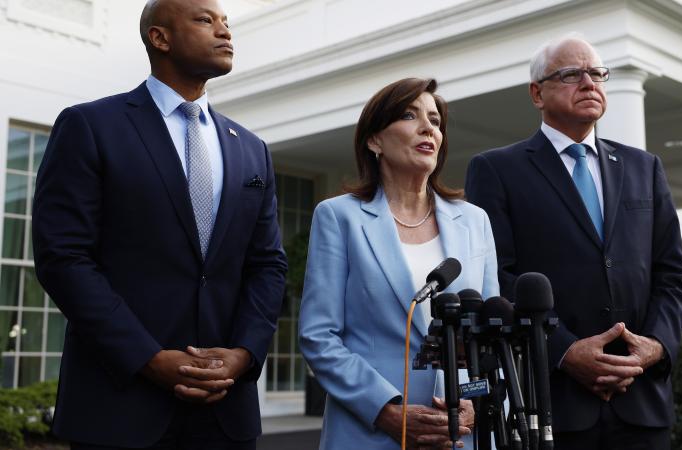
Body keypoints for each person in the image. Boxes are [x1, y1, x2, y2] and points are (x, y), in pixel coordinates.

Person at [31, 0, 287, 448]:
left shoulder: (252, 149)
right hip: (119, 405)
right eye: (206, 20)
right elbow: (63, 257)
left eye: (227, 22)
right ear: (160, 38)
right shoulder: (90, 126)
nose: (225, 32)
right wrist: (148, 358)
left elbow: (267, 265)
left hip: (226, 411)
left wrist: (244, 354)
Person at [465, 34, 682, 450]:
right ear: (537, 93)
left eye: (598, 74)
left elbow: (673, 272)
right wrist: (566, 351)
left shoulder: (644, 167)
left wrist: (655, 347)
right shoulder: (496, 170)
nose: (589, 83)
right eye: (572, 74)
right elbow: (496, 274)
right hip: (552, 405)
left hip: (641, 402)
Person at [299, 78, 499, 450]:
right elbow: (319, 337)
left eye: (436, 121)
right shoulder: (338, 217)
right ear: (374, 140)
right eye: (410, 115)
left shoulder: (474, 222)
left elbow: (490, 337)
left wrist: (475, 403)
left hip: (460, 436)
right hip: (370, 431)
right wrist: (385, 409)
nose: (428, 128)